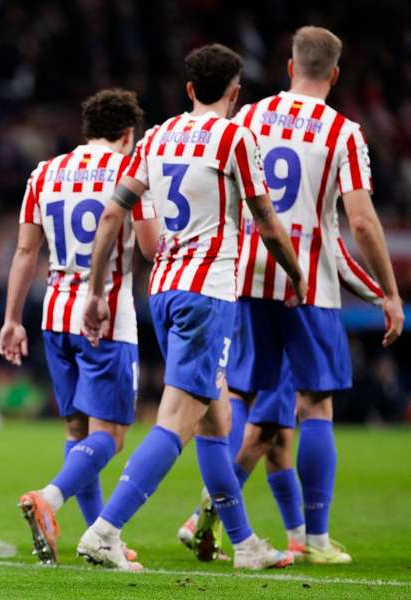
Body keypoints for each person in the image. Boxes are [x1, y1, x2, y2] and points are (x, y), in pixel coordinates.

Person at [78, 43, 306, 571]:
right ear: (235, 91)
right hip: (208, 294)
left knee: (215, 418)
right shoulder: (235, 136)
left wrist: (95, 289)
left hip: (164, 290)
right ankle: (106, 531)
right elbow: (267, 221)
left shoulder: (156, 136)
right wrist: (294, 274)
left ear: (188, 90)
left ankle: (245, 544)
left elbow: (115, 213)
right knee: (179, 420)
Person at [188, 26, 404, 566]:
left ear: (288, 68)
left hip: (246, 281)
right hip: (307, 287)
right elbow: (358, 220)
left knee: (245, 402)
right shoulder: (342, 132)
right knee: (314, 406)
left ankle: (209, 512)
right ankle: (315, 538)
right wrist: (389, 292)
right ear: (333, 74)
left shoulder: (249, 117)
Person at [0, 89, 157, 564]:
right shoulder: (132, 170)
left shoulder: (44, 172)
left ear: (87, 129)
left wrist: (11, 319)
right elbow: (149, 246)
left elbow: (26, 252)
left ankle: (98, 539)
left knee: (79, 428)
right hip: (103, 313)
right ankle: (49, 498)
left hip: (53, 313)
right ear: (129, 133)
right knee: (110, 435)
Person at [177, 232, 385, 561]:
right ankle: (208, 510)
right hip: (291, 302)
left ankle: (298, 537)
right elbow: (337, 246)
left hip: (242, 293)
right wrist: (384, 294)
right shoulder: (303, 192)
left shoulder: (250, 185)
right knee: (270, 426)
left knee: (276, 434)